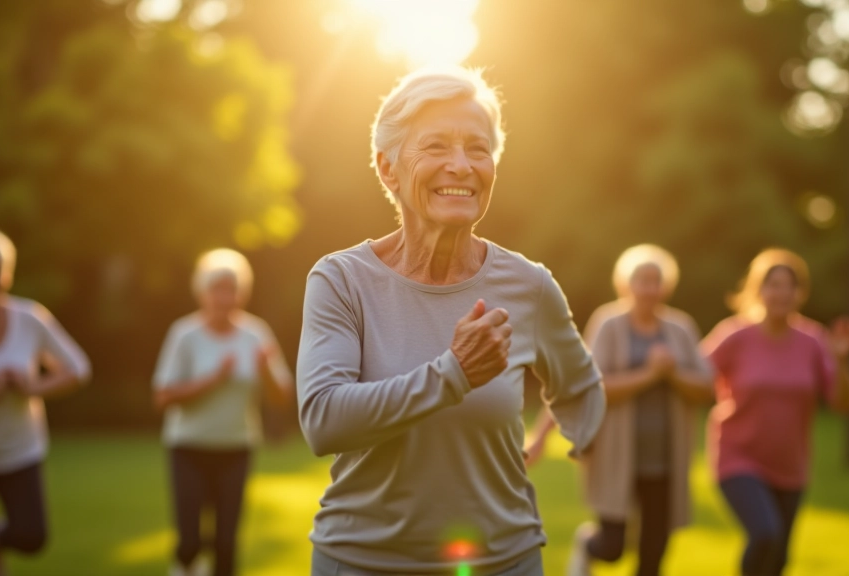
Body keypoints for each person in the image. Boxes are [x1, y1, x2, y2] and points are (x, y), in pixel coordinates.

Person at [296, 66, 606, 576]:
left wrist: (586, 441)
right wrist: (454, 375)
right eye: (436, 146)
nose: (461, 165)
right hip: (361, 563)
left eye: (478, 148)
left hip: (504, 562)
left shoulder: (529, 285)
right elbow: (324, 421)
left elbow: (579, 384)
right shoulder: (341, 280)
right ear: (388, 169)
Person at [528, 245, 713, 576]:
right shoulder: (609, 324)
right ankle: (588, 545)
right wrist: (650, 374)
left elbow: (705, 389)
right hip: (616, 455)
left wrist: (673, 373)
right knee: (612, 548)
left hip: (665, 460)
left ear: (666, 286)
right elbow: (591, 387)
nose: (648, 288)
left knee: (653, 553)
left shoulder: (680, 329)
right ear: (626, 284)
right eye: (641, 280)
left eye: (655, 281)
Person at [0, 225, 91, 576]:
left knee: (31, 537)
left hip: (20, 450)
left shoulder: (30, 318)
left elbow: (77, 368)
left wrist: (32, 388)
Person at [704, 248, 849, 576]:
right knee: (764, 533)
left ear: (799, 293)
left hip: (791, 465)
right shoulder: (736, 335)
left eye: (788, 286)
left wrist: (843, 362)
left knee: (778, 560)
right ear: (758, 291)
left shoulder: (814, 340)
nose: (780, 293)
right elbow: (694, 374)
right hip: (738, 458)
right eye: (772, 285)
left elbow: (844, 402)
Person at [152, 248, 294, 576]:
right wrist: (213, 379)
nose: (224, 297)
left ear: (241, 294)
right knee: (188, 543)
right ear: (202, 293)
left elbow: (282, 397)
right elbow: (162, 397)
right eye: (217, 289)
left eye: (231, 290)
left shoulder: (256, 334)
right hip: (188, 447)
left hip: (236, 448)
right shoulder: (184, 335)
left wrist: (265, 371)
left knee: (226, 544)